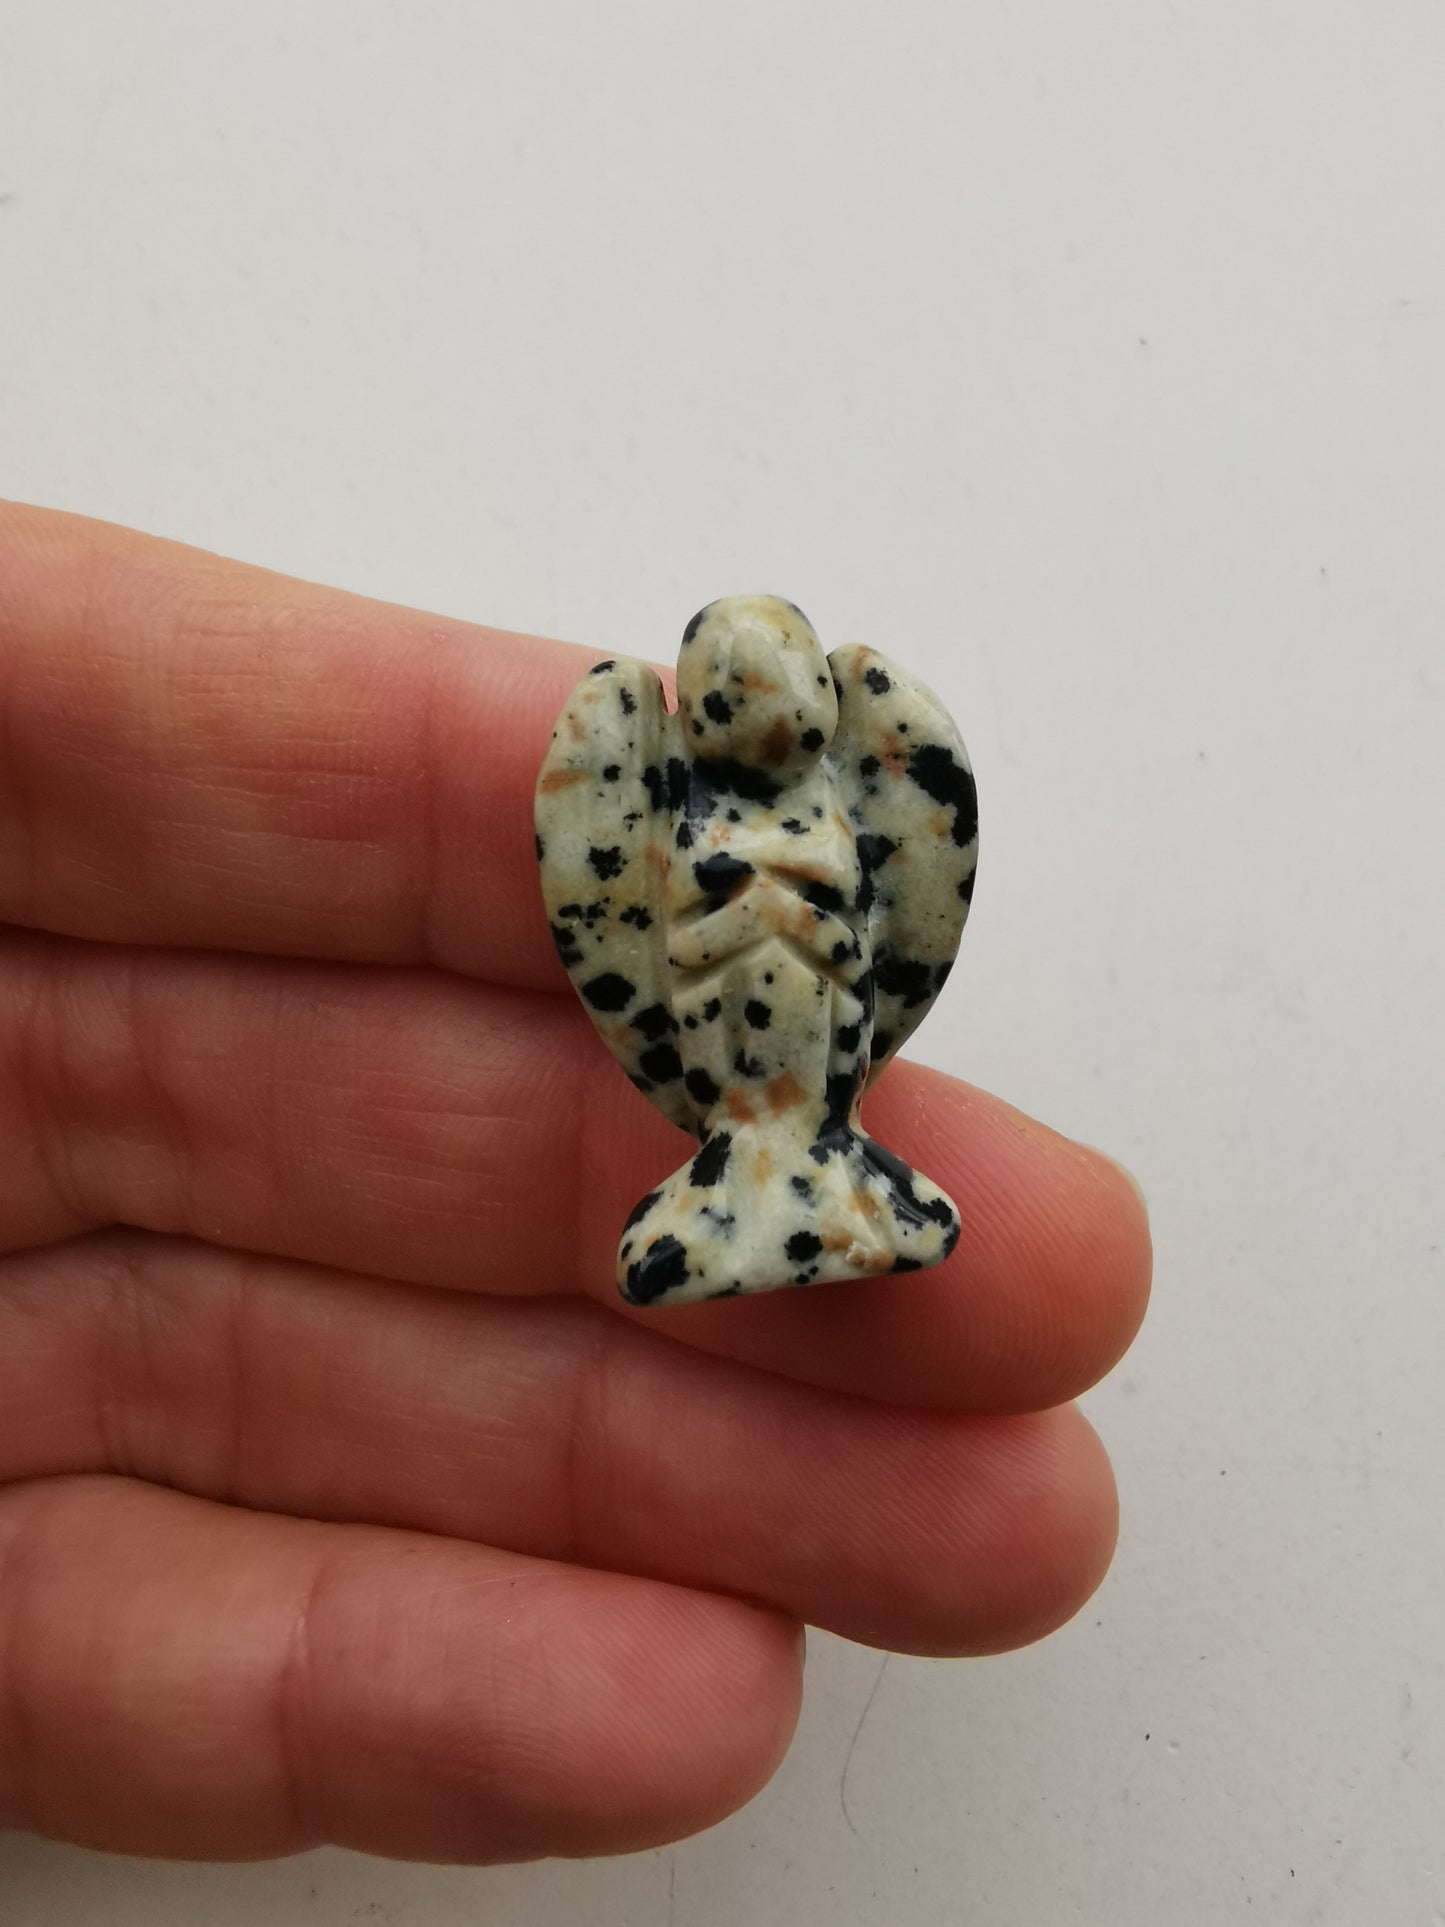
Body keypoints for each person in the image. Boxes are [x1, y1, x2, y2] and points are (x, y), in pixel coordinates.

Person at [0, 503, 1151, 1865]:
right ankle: (745, 1171)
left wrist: (821, 989)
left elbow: (882, 935)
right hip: (720, 1067)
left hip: (822, 1059)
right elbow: (650, 948)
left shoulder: (857, 796)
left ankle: (817, 1165)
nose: (759, 710)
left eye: (779, 686)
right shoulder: (657, 803)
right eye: (728, 689)